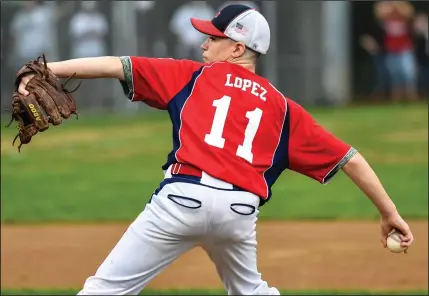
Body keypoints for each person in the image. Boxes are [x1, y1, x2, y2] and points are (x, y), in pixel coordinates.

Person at [16, 4, 414, 295]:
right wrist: (389, 214)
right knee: (251, 291)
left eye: (213, 37)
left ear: (237, 49)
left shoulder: (191, 76)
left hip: (181, 201)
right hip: (239, 212)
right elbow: (350, 158)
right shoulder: (285, 109)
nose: (204, 43)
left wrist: (50, 69)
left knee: (103, 291)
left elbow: (115, 65)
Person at [374, 1, 418, 102]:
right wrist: (390, 5)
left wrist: (397, 5)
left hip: (405, 49)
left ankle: (411, 96)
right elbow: (379, 11)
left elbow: (409, 12)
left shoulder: (404, 17)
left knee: (408, 73)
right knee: (395, 74)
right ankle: (396, 98)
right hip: (392, 49)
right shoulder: (386, 18)